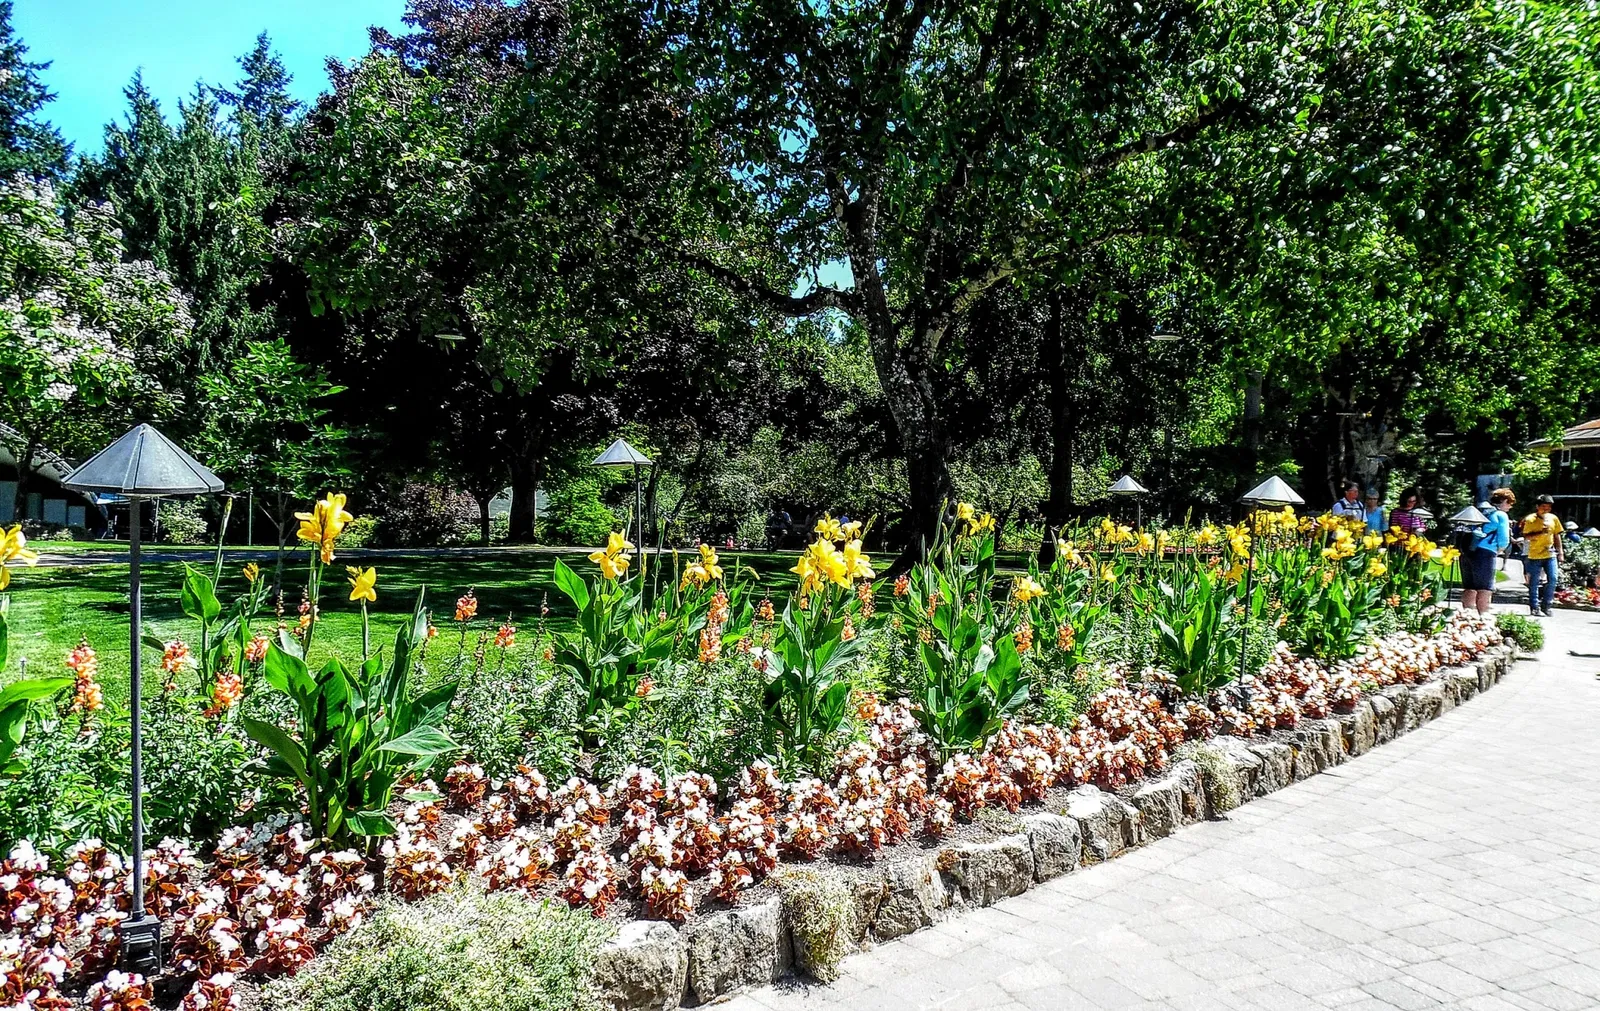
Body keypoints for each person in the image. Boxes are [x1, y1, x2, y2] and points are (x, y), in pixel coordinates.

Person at [1461, 488, 1514, 615]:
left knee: (1469, 586)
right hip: (1486, 553)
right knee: (1485, 587)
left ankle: (1466, 616)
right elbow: (1503, 540)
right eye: (1510, 503)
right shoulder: (1501, 515)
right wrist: (1499, 550)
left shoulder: (1479, 511)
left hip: (1467, 550)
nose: (1510, 507)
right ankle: (1484, 618)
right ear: (1505, 501)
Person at [1521, 494, 1566, 617]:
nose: (1546, 509)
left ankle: (1547, 605)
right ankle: (1534, 607)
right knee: (1534, 582)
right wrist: (1540, 532)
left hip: (1550, 553)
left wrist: (1560, 552)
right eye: (1543, 506)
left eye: (1549, 507)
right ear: (1537, 506)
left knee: (1553, 578)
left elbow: (1557, 535)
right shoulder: (1530, 519)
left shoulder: (1553, 518)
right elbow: (1526, 536)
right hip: (1534, 555)